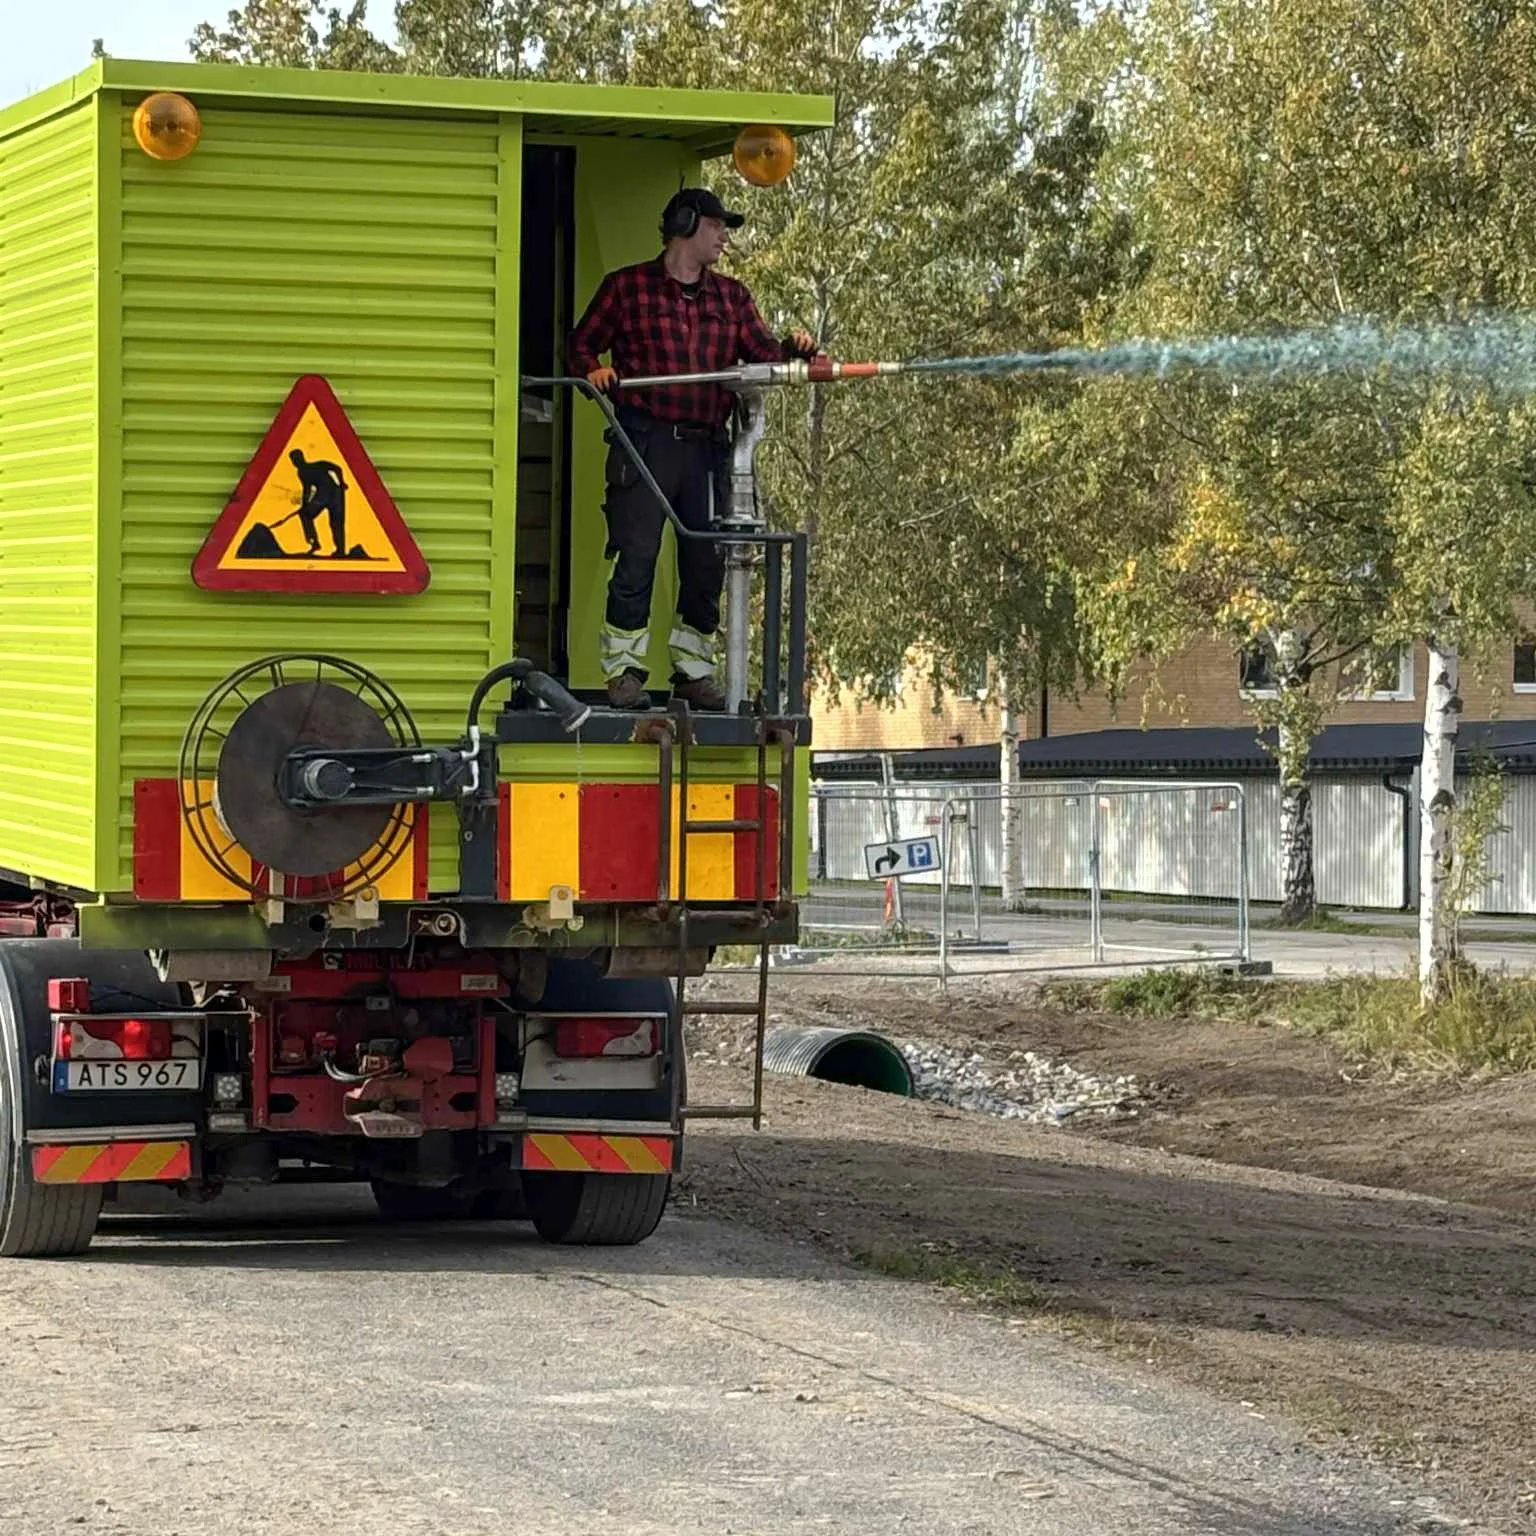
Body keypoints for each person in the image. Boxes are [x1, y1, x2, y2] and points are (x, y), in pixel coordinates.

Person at [566, 186, 817, 710]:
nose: (725, 236)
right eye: (717, 225)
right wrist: (595, 371)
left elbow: (764, 355)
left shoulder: (734, 298)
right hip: (644, 440)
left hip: (707, 449)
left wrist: (794, 351)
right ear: (685, 224)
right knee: (636, 557)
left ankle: (692, 672)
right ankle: (625, 673)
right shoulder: (627, 288)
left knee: (705, 563)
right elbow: (580, 343)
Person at [289, 449, 348, 558]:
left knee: (334, 522)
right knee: (333, 522)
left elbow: (337, 468)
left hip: (328, 495)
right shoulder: (305, 471)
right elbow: (307, 489)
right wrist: (304, 505)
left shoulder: (315, 466)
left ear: (301, 458)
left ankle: (335, 549)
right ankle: (323, 545)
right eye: (293, 460)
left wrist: (342, 482)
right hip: (329, 495)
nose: (295, 462)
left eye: (295, 459)